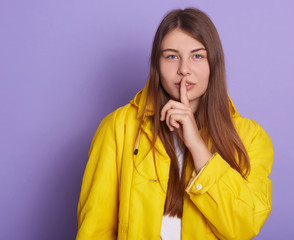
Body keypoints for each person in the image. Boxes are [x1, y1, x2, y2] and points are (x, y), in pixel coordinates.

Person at [76, 8, 274, 240]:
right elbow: (95, 228)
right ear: (156, 65)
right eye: (172, 56)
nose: (184, 69)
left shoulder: (250, 137)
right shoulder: (118, 127)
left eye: (197, 56)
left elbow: (244, 227)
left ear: (214, 64)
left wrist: (197, 146)